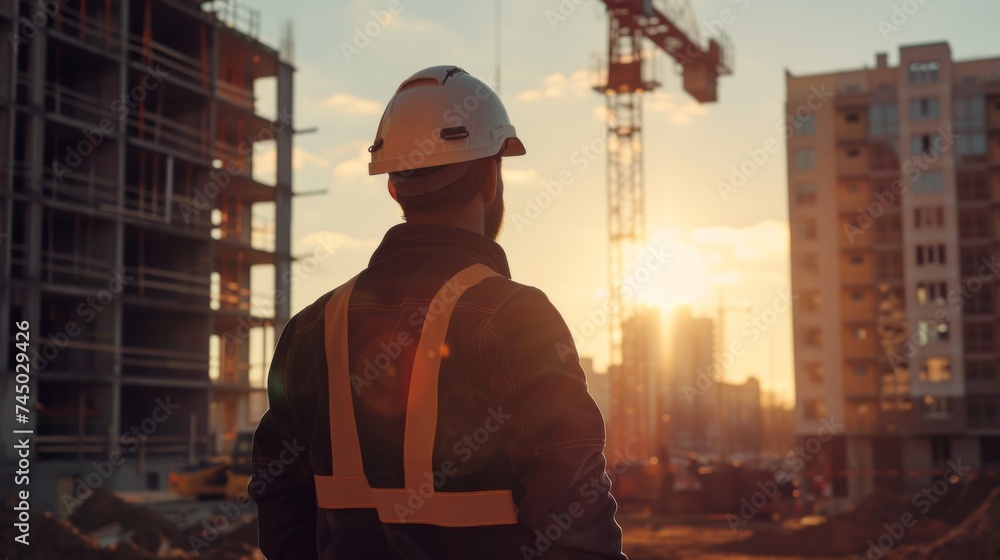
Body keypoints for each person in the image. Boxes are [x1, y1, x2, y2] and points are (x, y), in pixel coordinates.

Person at [250, 65, 627, 560]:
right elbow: (576, 526)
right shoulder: (516, 317)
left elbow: (280, 500)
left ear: (394, 187)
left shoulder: (311, 328)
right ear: (490, 177)